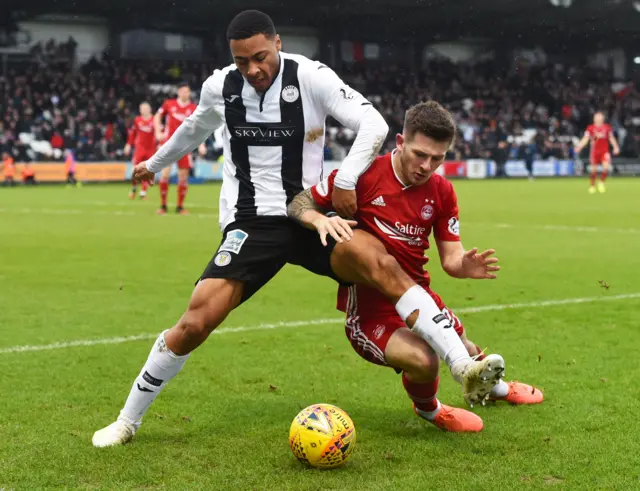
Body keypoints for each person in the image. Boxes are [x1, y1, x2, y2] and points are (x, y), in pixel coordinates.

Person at [92, 10, 503, 447]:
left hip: (313, 214)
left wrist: (344, 180)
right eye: (242, 60)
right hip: (252, 222)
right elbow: (194, 128)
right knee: (196, 321)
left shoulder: (310, 76)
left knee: (378, 260)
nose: (252, 69)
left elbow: (374, 125)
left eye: (261, 57)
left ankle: (461, 365)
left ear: (279, 44)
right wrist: (153, 165)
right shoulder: (221, 87)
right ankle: (127, 422)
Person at [288, 101, 543, 432]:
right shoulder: (361, 175)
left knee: (467, 346)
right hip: (371, 313)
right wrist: (318, 220)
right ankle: (430, 409)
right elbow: (298, 203)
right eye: (420, 154)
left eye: (437, 158)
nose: (427, 166)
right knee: (426, 360)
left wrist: (463, 265)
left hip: (420, 296)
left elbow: (451, 258)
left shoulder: (442, 191)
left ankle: (495, 389)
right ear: (400, 142)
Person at [154, 83, 206, 214]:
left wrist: (201, 144)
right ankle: (163, 205)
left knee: (183, 176)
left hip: (185, 146)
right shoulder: (168, 104)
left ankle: (180, 206)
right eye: (183, 91)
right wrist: (157, 132)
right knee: (165, 174)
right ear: (178, 92)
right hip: (169, 144)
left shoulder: (193, 108)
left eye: (187, 92)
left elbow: (199, 127)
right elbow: (157, 116)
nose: (185, 94)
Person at [574, 112, 620, 194]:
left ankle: (601, 182)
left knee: (606, 167)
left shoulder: (607, 128)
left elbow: (611, 138)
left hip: (604, 151)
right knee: (593, 170)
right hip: (594, 152)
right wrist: (579, 147)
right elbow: (586, 139)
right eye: (597, 117)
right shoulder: (590, 128)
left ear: (602, 119)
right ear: (594, 119)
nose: (598, 119)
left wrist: (615, 147)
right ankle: (592, 185)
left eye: (600, 117)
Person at [125, 102, 156, 200]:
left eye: (146, 108)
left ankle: (143, 192)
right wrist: (128, 145)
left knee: (147, 171)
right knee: (135, 170)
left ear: (150, 109)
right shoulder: (137, 120)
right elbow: (132, 133)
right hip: (139, 149)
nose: (144, 110)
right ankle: (134, 188)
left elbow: (159, 133)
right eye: (142, 108)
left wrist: (160, 144)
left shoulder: (155, 120)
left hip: (151, 150)